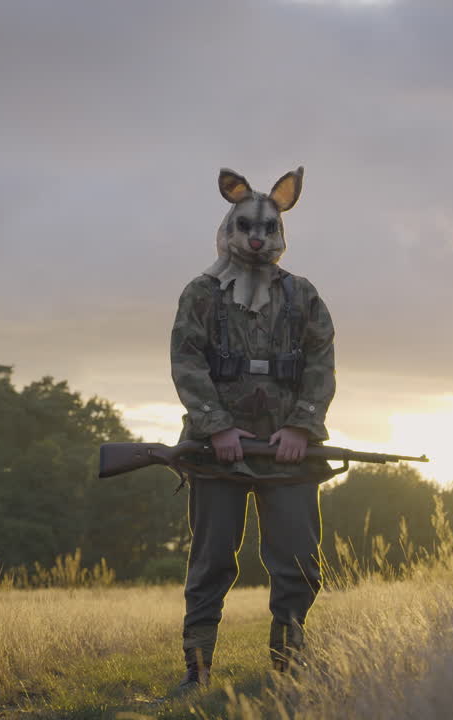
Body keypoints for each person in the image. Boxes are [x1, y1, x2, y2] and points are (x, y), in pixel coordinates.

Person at [169, 166, 336, 692]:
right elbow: (187, 361)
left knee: (296, 564)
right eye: (246, 226)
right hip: (217, 451)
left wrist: (302, 429)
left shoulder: (303, 295)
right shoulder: (202, 291)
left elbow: (321, 363)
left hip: (287, 452)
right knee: (211, 562)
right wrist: (216, 429)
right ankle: (197, 672)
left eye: (267, 228)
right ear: (231, 226)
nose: (257, 238)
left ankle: (289, 670)